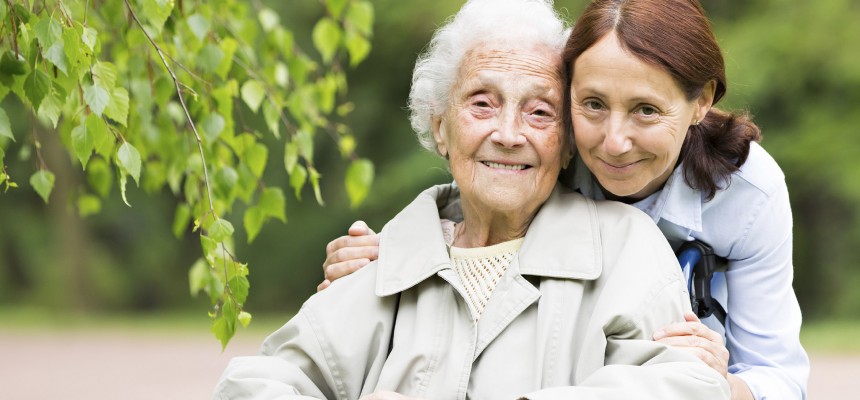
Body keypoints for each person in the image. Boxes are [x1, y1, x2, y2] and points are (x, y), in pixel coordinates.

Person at [214, 0, 730, 398]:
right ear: (440, 127)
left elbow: (684, 386)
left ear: (569, 141)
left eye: (539, 113)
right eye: (482, 104)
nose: (508, 133)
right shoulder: (382, 257)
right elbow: (255, 383)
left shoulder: (625, 249)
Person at [319, 0, 809, 399]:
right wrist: (388, 252)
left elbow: (780, 376)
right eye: (593, 104)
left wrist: (702, 383)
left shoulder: (748, 193)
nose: (614, 142)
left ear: (700, 102)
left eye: (646, 110)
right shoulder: (548, 146)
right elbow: (478, 206)